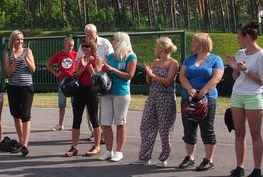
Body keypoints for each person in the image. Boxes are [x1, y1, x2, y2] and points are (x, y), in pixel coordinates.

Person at [226, 21, 263, 177]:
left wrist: (245, 69)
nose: (237, 39)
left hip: (253, 96)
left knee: (255, 133)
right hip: (237, 95)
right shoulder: (240, 53)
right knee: (239, 133)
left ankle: (257, 169)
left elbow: (262, 81)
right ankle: (240, 167)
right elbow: (236, 77)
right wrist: (235, 68)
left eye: (239, 37)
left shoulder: (262, 55)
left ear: (248, 37)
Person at [177, 33, 224, 171]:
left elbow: (216, 78)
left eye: (194, 42)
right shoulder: (189, 59)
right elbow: (182, 76)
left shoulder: (215, 59)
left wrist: (203, 91)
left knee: (206, 128)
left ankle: (209, 159)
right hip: (188, 98)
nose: (192, 44)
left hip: (207, 99)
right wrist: (190, 89)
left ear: (202, 44)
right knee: (188, 128)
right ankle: (189, 157)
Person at [132, 37, 179, 166]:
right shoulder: (155, 62)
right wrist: (148, 74)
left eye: (156, 46)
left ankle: (163, 158)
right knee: (146, 126)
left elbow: (168, 82)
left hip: (166, 99)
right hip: (152, 97)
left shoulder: (173, 63)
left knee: (165, 129)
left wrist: (153, 75)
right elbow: (149, 81)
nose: (154, 48)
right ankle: (144, 157)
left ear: (163, 48)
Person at [96, 32, 137, 162]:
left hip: (121, 92)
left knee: (120, 122)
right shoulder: (111, 56)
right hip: (107, 92)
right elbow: (103, 71)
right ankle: (109, 151)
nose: (113, 42)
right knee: (105, 123)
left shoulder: (131, 56)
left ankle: (119, 151)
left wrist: (112, 70)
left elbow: (129, 75)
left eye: (114, 39)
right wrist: (101, 68)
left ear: (121, 41)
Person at [63, 38, 102, 157]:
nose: (84, 48)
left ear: (92, 48)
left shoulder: (98, 59)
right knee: (76, 118)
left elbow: (96, 76)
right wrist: (82, 67)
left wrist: (89, 65)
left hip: (92, 90)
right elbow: (76, 74)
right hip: (80, 90)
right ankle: (74, 147)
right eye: (83, 46)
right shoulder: (81, 59)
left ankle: (97, 146)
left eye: (87, 46)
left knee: (93, 118)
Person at [5, 30, 36, 156]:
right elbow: (8, 73)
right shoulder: (8, 54)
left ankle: (25, 145)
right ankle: (21, 140)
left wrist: (26, 58)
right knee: (16, 115)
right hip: (13, 87)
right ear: (13, 40)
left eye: (22, 39)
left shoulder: (28, 51)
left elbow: (33, 69)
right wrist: (15, 61)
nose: (20, 41)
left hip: (26, 87)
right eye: (18, 39)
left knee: (26, 115)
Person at [46, 36, 77, 131]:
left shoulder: (75, 54)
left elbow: (81, 63)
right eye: (69, 45)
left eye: (72, 46)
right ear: (64, 45)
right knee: (62, 104)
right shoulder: (59, 54)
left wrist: (76, 71)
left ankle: (75, 124)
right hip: (62, 82)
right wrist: (55, 73)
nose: (71, 47)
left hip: (73, 82)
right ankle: (60, 124)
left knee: (75, 104)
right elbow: (49, 64)